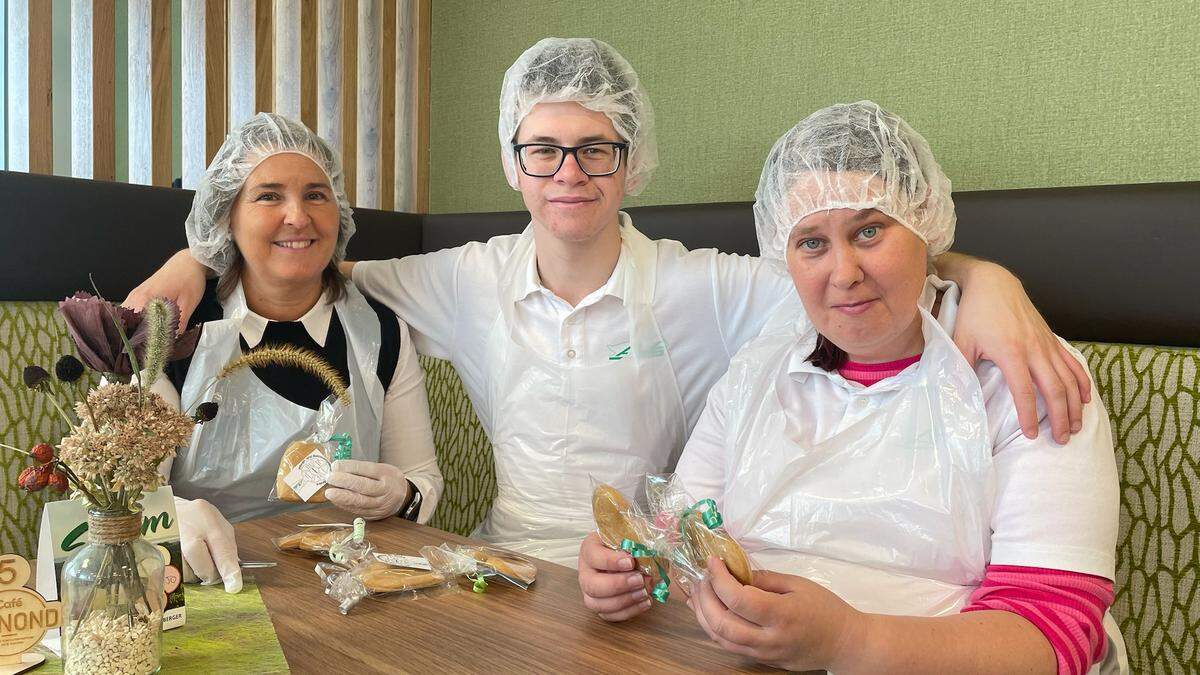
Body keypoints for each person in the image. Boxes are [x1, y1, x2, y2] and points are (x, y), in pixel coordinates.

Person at [127, 39, 1090, 567]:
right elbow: (305, 261)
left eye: (597, 148)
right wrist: (194, 256)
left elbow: (848, 272)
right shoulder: (463, 278)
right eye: (544, 148)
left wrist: (985, 285)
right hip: (492, 569)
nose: (569, 172)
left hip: (644, 579)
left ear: (631, 163)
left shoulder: (696, 285)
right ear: (513, 161)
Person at [579, 101, 1125, 674]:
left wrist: (852, 643)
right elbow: (681, 533)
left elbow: (1054, 632)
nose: (843, 273)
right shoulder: (759, 370)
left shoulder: (1026, 373)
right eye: (811, 242)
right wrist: (633, 569)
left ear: (924, 227)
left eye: (869, 231)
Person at [153, 113, 442, 592]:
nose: (298, 216)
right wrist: (172, 517)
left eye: (315, 194)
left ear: (339, 212)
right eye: (268, 195)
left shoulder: (382, 332)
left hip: (347, 587)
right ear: (227, 215)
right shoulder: (178, 331)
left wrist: (400, 493)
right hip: (202, 591)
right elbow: (114, 494)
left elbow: (421, 479)